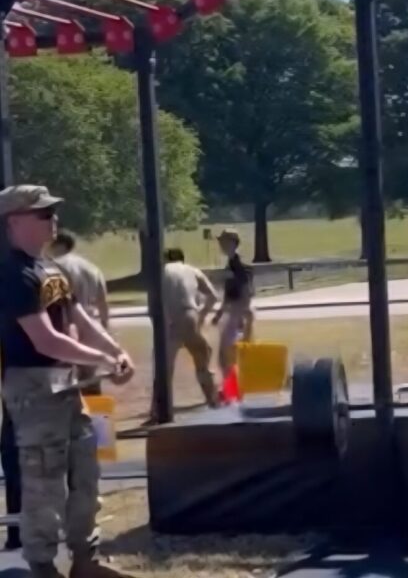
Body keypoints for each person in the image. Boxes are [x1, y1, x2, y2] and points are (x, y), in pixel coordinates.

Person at [0, 185, 135, 578]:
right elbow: (45, 338)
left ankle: (85, 560)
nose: (53, 219)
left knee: (84, 471)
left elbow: (80, 320)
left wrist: (116, 350)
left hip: (64, 385)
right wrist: (104, 360)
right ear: (15, 221)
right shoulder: (13, 274)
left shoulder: (50, 268)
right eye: (43, 214)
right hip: (32, 388)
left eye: (53, 212)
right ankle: (43, 566)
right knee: (44, 481)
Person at [147, 248, 220, 422]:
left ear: (166, 259)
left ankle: (157, 411)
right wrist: (201, 316)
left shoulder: (160, 272)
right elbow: (213, 296)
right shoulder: (192, 270)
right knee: (203, 363)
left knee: (164, 370)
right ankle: (213, 403)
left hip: (169, 319)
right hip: (189, 316)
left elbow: (153, 305)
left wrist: (159, 327)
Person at [50, 231, 109, 396]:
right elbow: (103, 302)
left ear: (59, 245)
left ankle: (69, 418)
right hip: (91, 325)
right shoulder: (91, 267)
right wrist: (104, 328)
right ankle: (97, 418)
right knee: (91, 380)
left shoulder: (53, 266)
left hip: (65, 326)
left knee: (63, 379)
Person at [211, 229, 254, 375]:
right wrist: (219, 313)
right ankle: (230, 391)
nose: (220, 244)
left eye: (223, 241)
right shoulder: (231, 263)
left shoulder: (238, 264)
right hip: (231, 313)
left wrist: (242, 315)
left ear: (233, 243)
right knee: (226, 357)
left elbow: (246, 290)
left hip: (236, 314)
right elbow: (229, 293)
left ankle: (232, 392)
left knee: (228, 357)